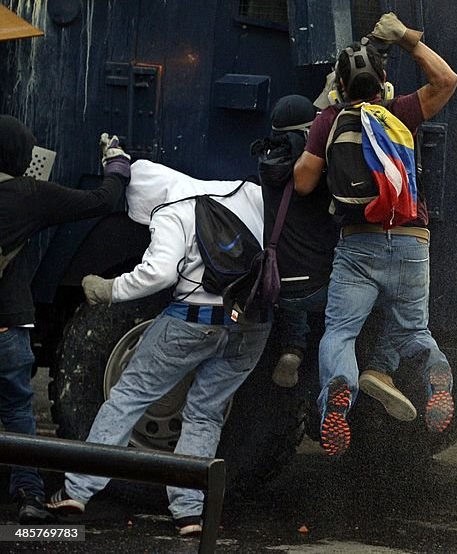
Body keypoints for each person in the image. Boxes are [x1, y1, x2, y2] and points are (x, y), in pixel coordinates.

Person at [47, 160, 269, 537]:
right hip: (251, 325)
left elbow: (160, 273)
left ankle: (76, 491)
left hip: (193, 320)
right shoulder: (245, 192)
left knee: (129, 396)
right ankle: (189, 515)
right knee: (205, 415)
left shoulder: (173, 209)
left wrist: (109, 290)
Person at [294, 12, 457, 457]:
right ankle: (435, 373)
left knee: (341, 333)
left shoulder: (330, 120)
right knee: (413, 331)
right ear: (383, 81)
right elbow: (447, 79)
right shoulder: (400, 111)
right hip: (410, 241)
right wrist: (407, 38)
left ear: (341, 87)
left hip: (357, 246)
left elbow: (304, 183)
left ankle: (339, 394)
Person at [251, 94, 417, 421]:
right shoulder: (317, 172)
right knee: (395, 298)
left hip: (279, 287)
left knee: (294, 270)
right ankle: (378, 368)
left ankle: (292, 349)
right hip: (316, 289)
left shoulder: (267, 163)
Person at [0, 117, 130, 525]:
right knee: (18, 412)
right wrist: (116, 164)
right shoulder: (28, 195)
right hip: (6, 326)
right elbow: (101, 201)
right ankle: (29, 495)